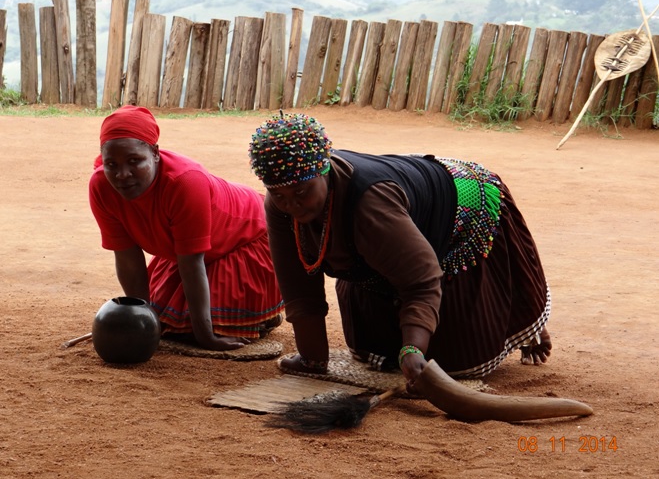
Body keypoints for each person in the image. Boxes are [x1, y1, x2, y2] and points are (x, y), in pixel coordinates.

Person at [248, 112, 552, 389]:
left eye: (301, 192)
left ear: (324, 172)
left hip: (465, 203)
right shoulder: (280, 202)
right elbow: (296, 282)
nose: (292, 205)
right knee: (371, 349)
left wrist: (413, 349)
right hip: (392, 229)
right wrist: (313, 359)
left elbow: (421, 280)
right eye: (280, 195)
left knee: (455, 360)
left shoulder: (371, 204)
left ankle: (527, 330)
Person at [89, 105, 284, 351]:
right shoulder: (101, 186)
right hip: (184, 252)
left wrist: (207, 337)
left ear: (156, 153)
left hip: (247, 239)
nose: (122, 175)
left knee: (193, 329)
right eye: (111, 164)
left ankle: (263, 314)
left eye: (134, 161)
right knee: (166, 321)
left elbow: (192, 263)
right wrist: (142, 320)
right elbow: (127, 258)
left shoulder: (185, 182)